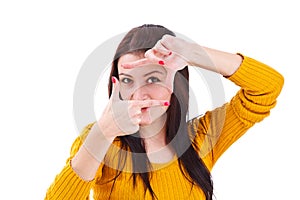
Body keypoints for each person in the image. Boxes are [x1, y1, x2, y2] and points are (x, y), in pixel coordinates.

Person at [45, 24, 284, 200]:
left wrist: (195, 54)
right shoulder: (100, 139)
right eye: (127, 80)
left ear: (176, 84)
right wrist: (104, 132)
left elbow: (267, 88)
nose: (139, 95)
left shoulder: (202, 137)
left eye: (152, 78)